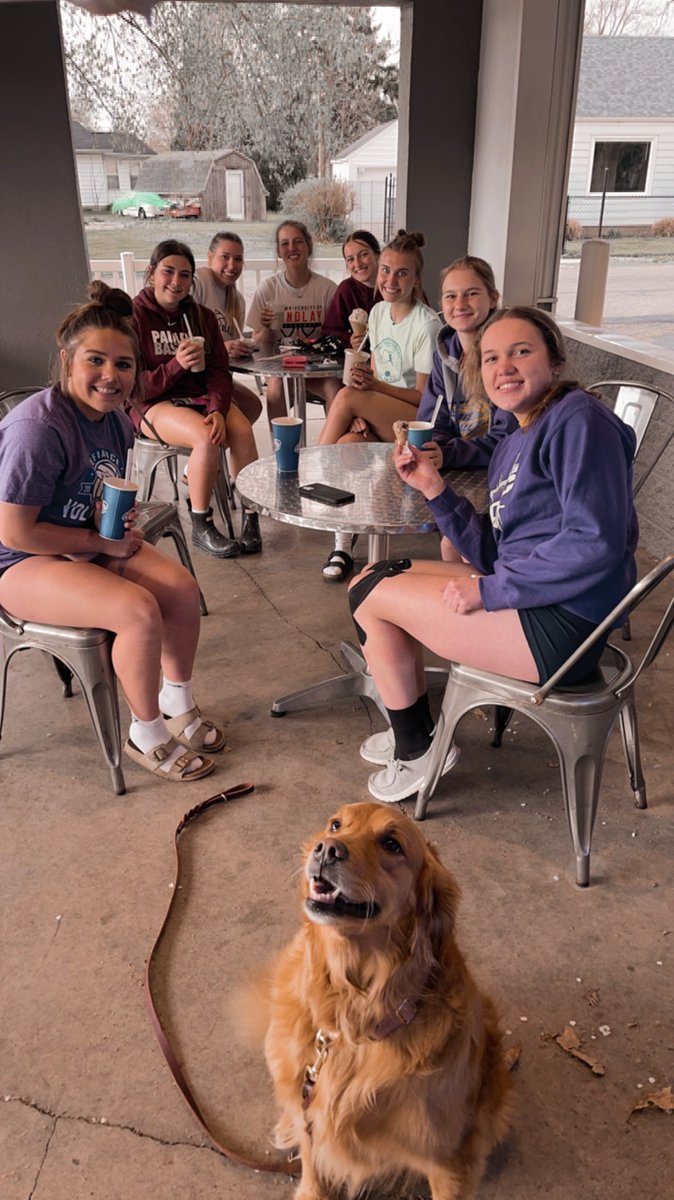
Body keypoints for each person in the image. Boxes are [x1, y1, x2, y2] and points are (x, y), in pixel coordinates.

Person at [347, 306, 639, 803]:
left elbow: (596, 541)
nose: (503, 366)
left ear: (555, 363)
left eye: (521, 352)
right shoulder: (517, 437)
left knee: (371, 596)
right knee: (372, 576)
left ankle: (417, 751)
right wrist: (434, 488)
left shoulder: (577, 420)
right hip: (537, 598)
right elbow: (492, 547)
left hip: (562, 626)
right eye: (490, 358)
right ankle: (417, 732)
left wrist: (490, 589)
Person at [0, 281, 225, 784]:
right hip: (18, 562)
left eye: (124, 365)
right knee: (138, 612)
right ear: (67, 361)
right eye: (95, 361)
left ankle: (176, 701)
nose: (110, 376)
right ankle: (145, 733)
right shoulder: (37, 429)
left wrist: (113, 519)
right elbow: (15, 532)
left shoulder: (118, 422)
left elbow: (95, 490)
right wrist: (100, 543)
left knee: (183, 590)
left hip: (80, 541)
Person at [318, 230, 442, 581]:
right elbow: (372, 373)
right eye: (386, 270)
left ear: (417, 278)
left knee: (345, 396)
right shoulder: (376, 313)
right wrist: (361, 412)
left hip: (414, 425)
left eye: (402, 272)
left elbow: (423, 400)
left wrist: (365, 396)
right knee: (346, 447)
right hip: (381, 414)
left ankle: (309, 472)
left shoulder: (426, 324)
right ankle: (343, 546)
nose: (391, 279)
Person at [132, 239, 261, 559]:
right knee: (206, 437)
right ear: (151, 273)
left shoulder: (200, 316)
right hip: (154, 403)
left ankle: (250, 517)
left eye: (185, 275)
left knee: (242, 430)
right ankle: (202, 525)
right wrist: (176, 365)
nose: (176, 282)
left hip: (199, 397)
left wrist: (218, 409)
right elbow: (134, 387)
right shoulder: (134, 318)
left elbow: (218, 372)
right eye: (168, 272)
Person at [415, 255, 518, 561]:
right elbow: (431, 422)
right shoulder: (445, 353)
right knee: (451, 540)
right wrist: (436, 449)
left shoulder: (506, 358)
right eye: (450, 295)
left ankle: (482, 602)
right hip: (466, 475)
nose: (460, 303)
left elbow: (508, 440)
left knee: (453, 542)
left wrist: (449, 453)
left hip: (507, 479)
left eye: (472, 293)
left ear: (493, 298)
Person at [246, 220, 337, 421]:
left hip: (317, 368)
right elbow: (257, 343)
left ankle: (333, 447)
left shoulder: (328, 289)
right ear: (279, 251)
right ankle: (282, 449)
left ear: (309, 246)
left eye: (298, 242)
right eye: (285, 243)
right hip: (282, 367)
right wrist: (268, 327)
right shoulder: (268, 288)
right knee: (276, 389)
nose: (292, 248)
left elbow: (336, 337)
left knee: (335, 389)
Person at [192, 230, 263, 428]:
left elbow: (229, 351)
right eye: (225, 257)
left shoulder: (238, 301)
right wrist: (224, 348)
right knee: (238, 420)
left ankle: (211, 454)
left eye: (238, 259)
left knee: (252, 405)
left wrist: (240, 348)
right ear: (210, 257)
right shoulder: (198, 281)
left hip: (216, 378)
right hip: (192, 379)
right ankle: (209, 453)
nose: (232, 266)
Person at [321, 228, 381, 348]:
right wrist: (349, 340)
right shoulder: (346, 290)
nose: (357, 264)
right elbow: (329, 332)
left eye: (363, 254)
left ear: (378, 255)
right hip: (358, 360)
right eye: (350, 259)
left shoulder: (392, 287)